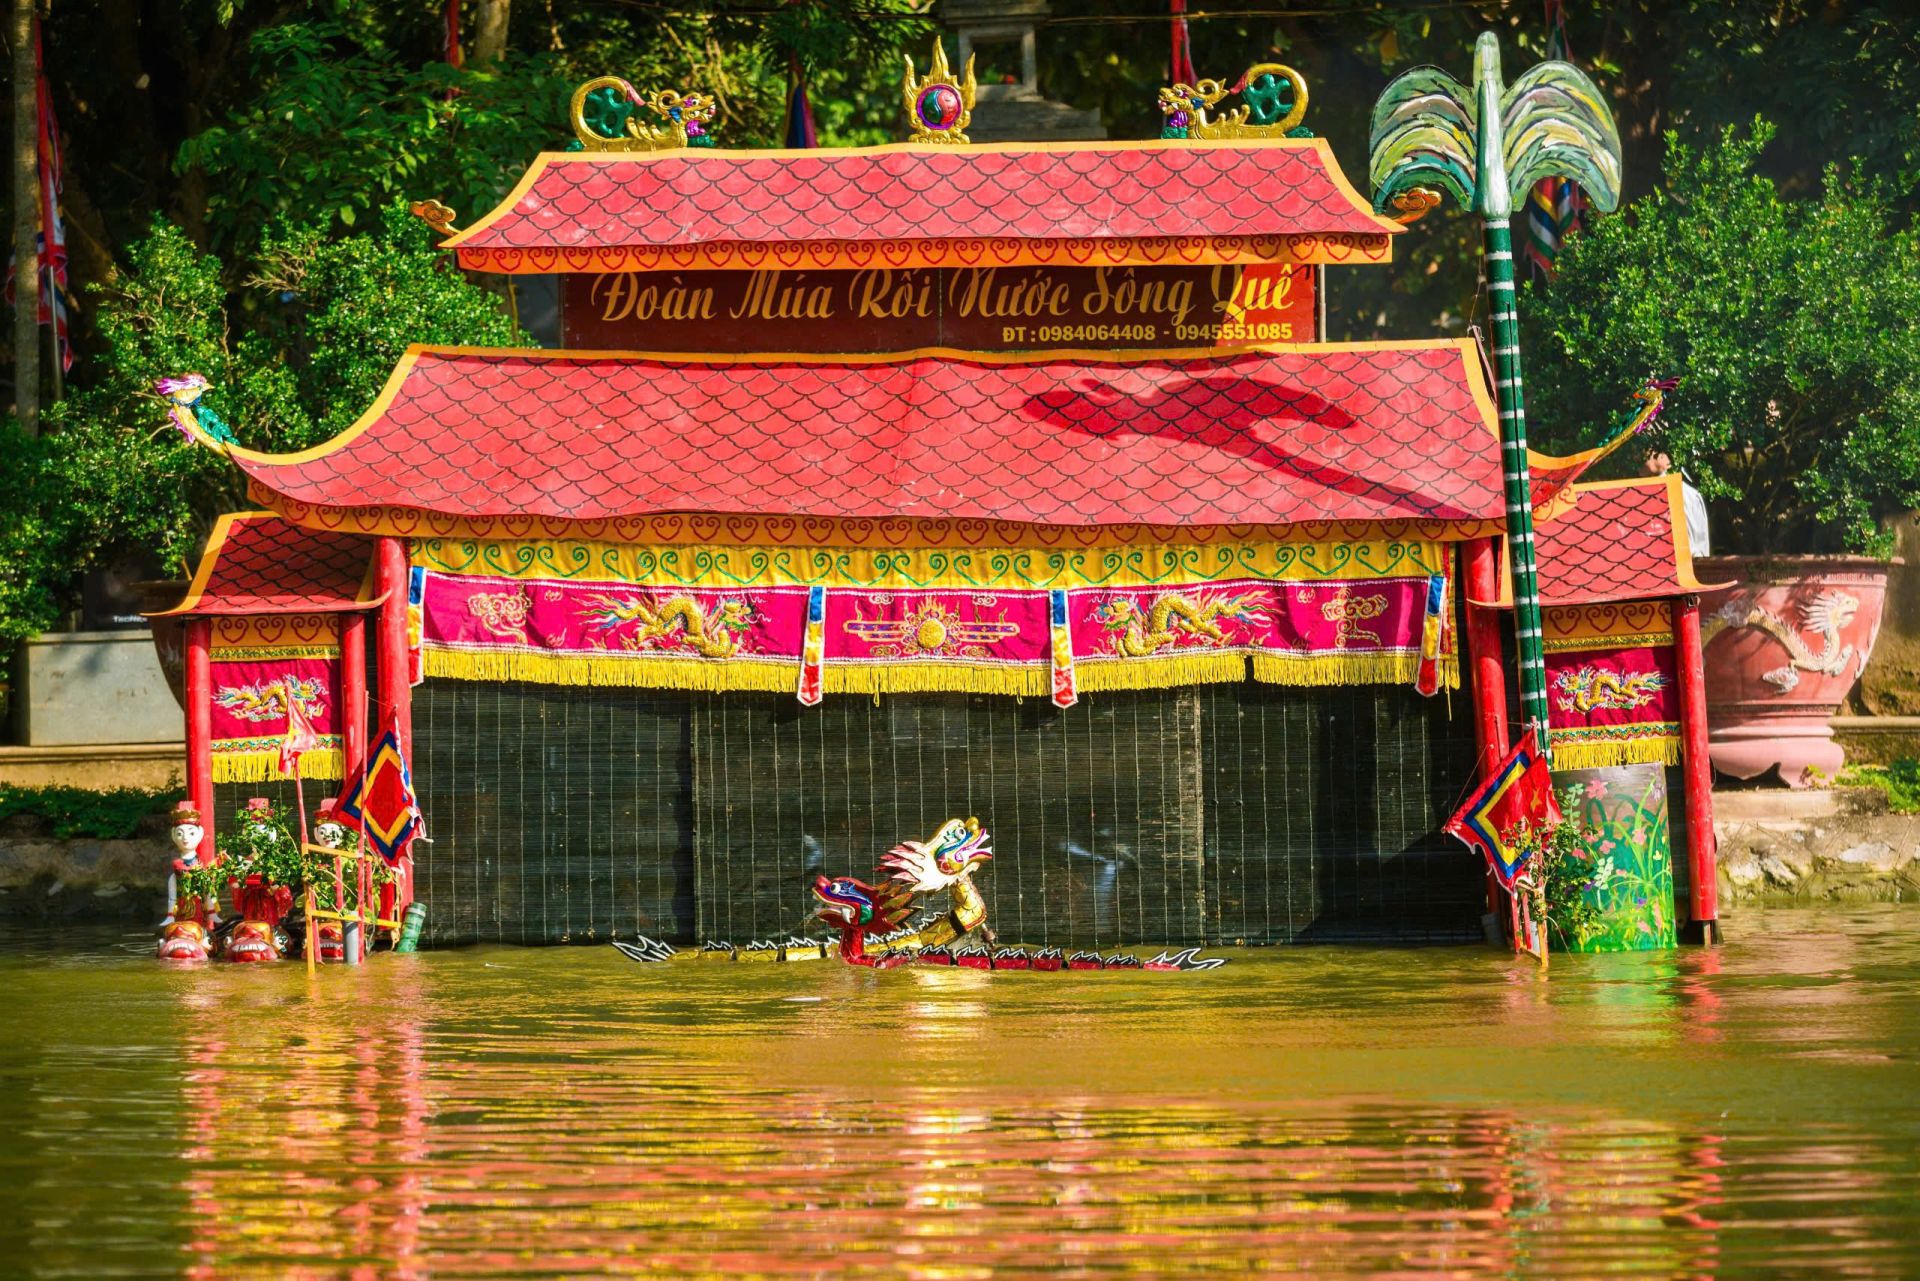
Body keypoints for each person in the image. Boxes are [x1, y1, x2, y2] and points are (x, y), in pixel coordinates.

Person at [1643, 449, 1711, 556]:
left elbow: (1695, 548)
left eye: (1647, 452)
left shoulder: (1684, 493)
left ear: (1664, 457)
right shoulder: (1643, 492)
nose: (1636, 457)